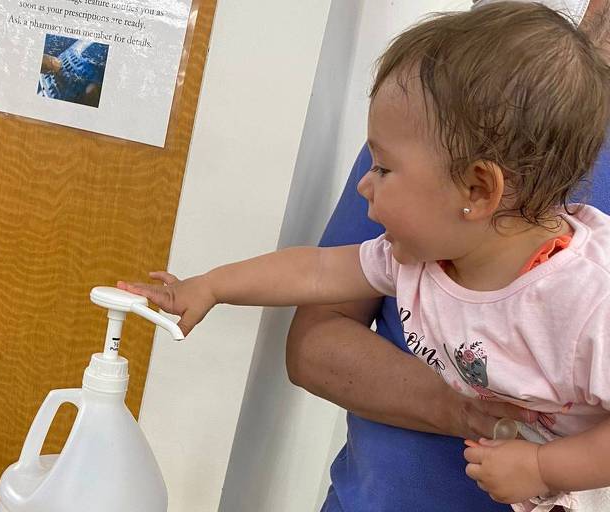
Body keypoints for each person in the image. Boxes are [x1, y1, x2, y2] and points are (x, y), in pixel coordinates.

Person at [119, 3, 610, 510]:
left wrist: (540, 467)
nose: (363, 184)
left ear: (478, 189)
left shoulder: (587, 296)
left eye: (383, 168)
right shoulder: (420, 256)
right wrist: (209, 286)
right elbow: (315, 271)